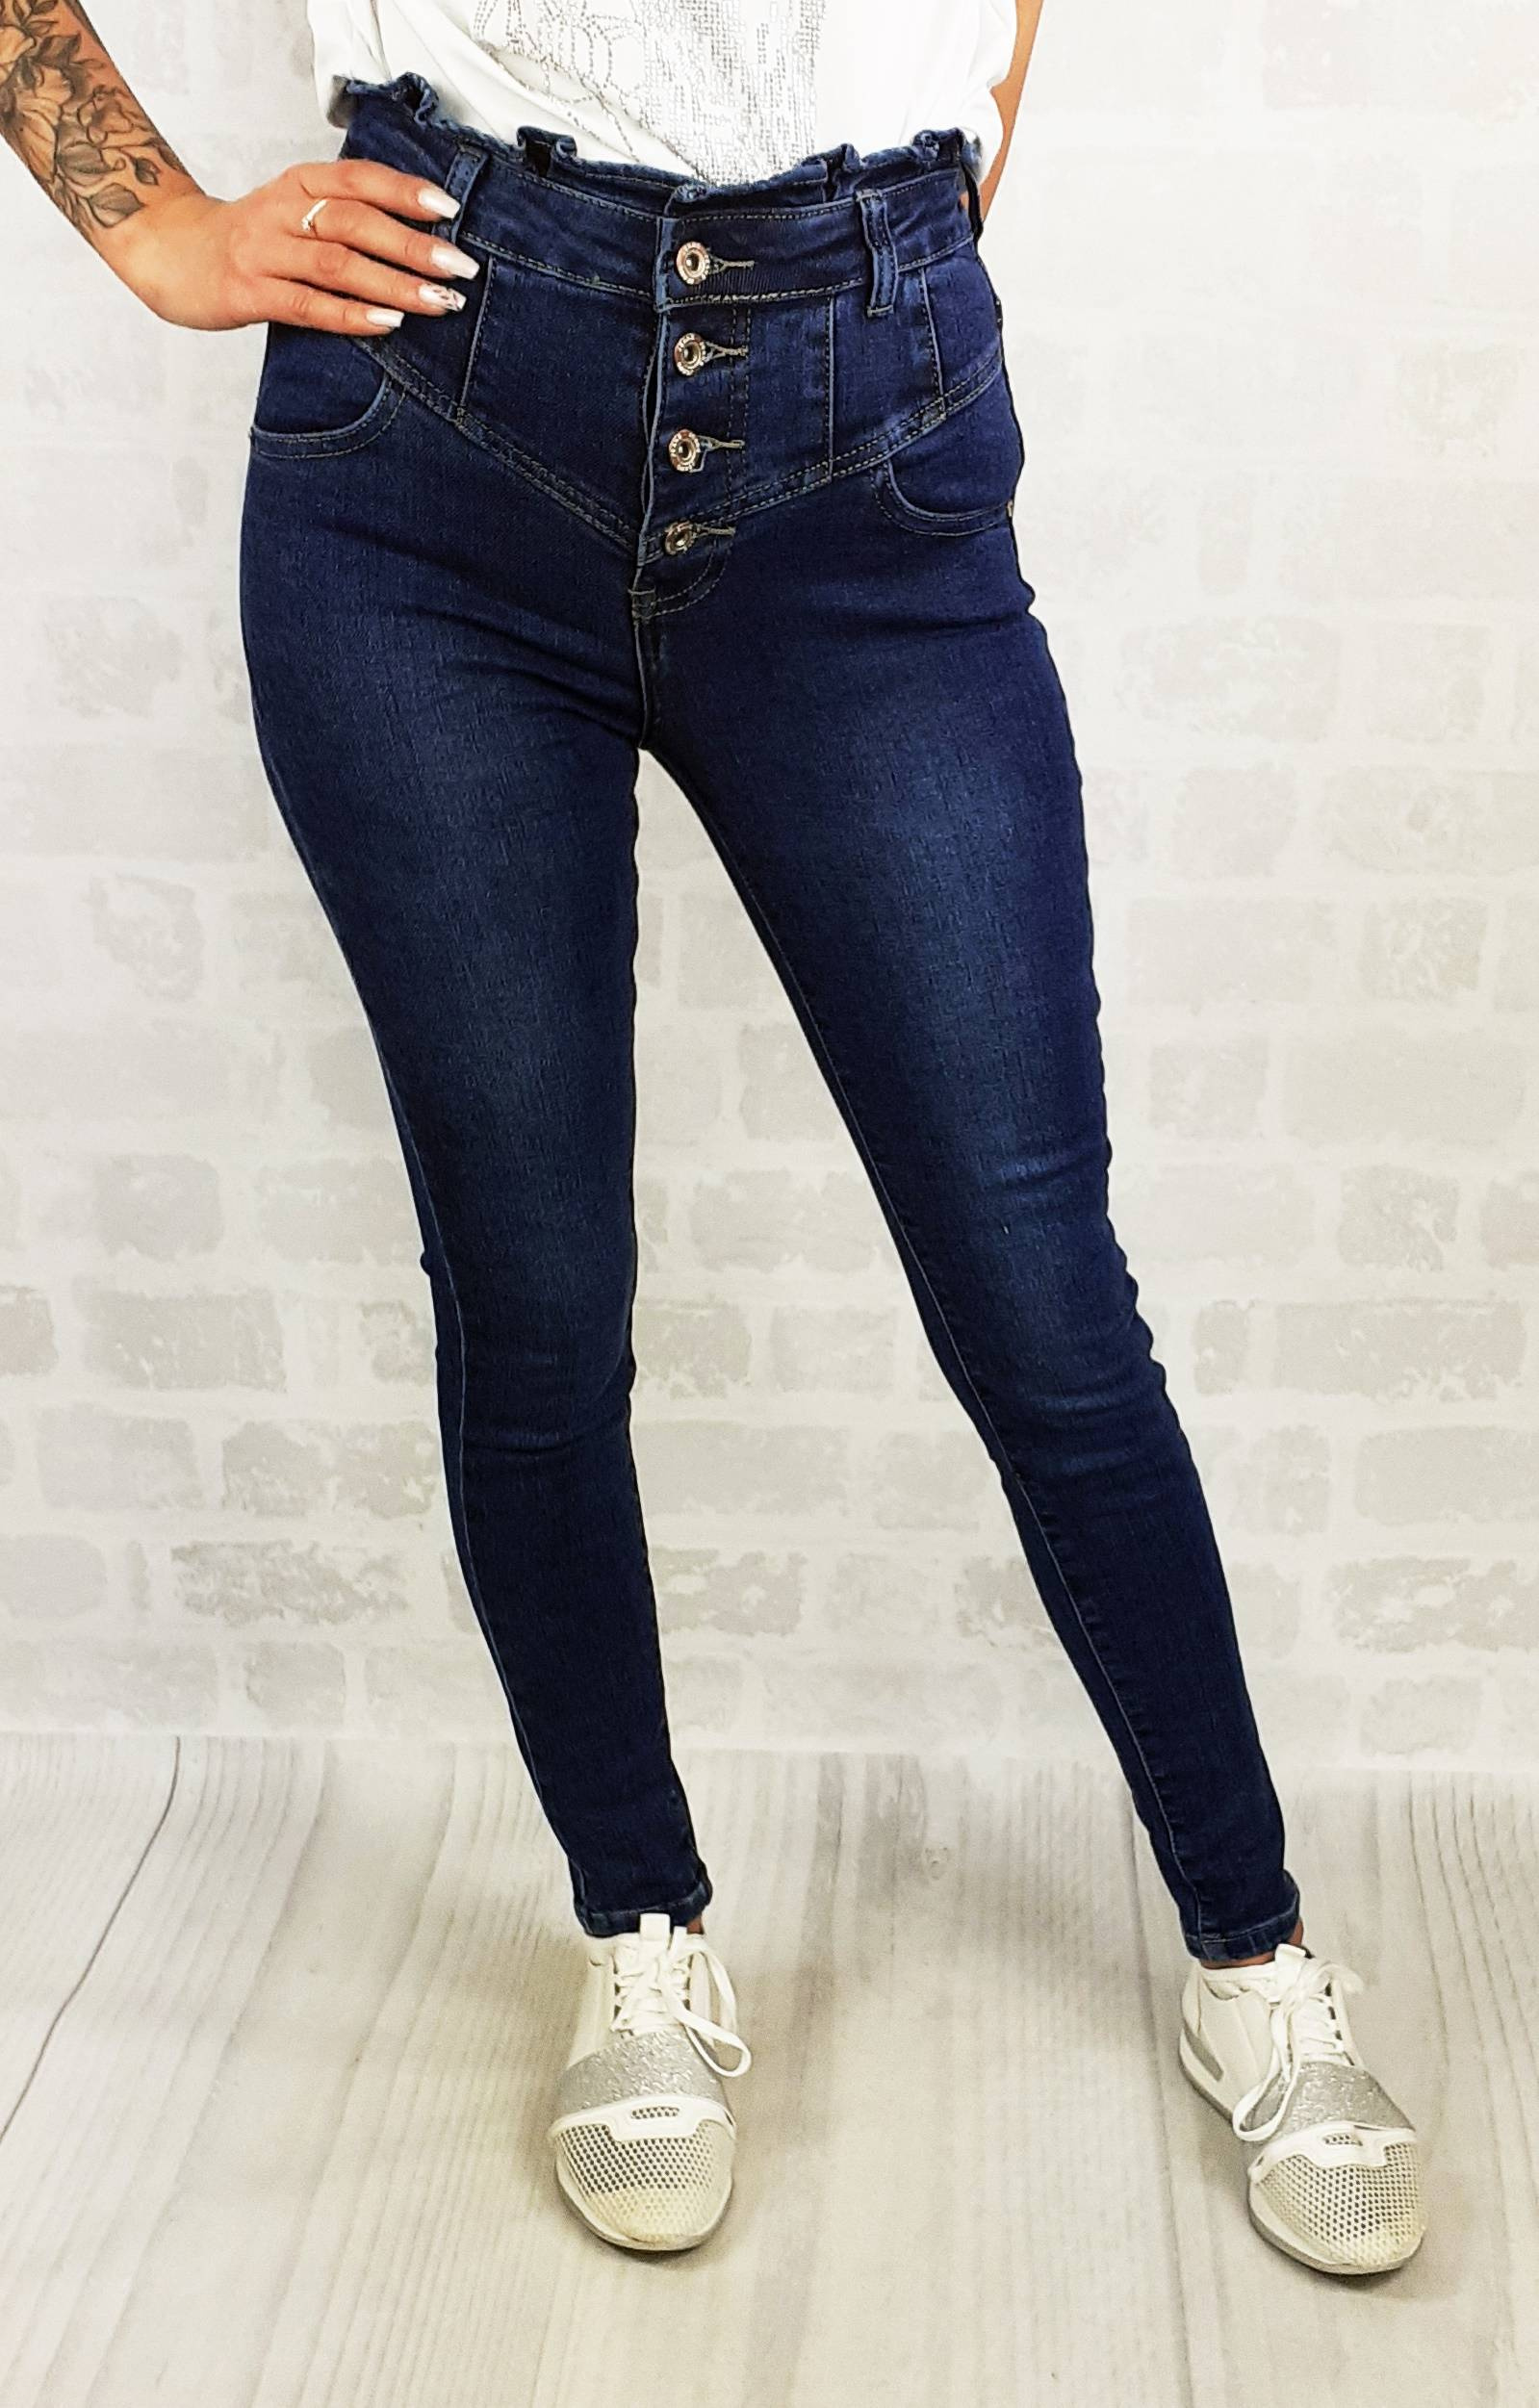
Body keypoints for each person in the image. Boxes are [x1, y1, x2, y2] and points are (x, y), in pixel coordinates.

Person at [3, 0, 1426, 2276]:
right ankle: (638, 1930)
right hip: (435, 419)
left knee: (1039, 1302)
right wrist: (156, 224)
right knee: (533, 1300)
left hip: (867, 426)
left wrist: (928, 164)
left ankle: (1250, 1951)